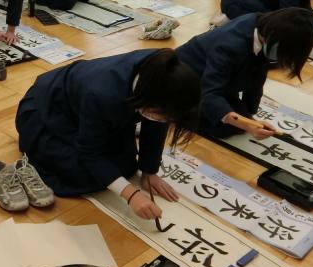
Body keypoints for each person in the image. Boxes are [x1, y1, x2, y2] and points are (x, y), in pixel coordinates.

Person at [15, 48, 200, 220]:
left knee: (124, 165)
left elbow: (156, 123)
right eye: (163, 116)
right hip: (53, 109)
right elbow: (89, 153)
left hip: (93, 107)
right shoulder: (103, 93)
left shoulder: (162, 73)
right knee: (81, 175)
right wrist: (132, 195)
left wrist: (149, 171)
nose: (165, 121)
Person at [176, 8, 313, 140]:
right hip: (183, 81)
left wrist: (250, 116)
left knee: (239, 119)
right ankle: (176, 112)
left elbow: (257, 77)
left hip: (217, 79)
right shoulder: (230, 46)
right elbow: (209, 92)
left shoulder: (263, 27)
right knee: (225, 127)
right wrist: (247, 124)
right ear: (275, 38)